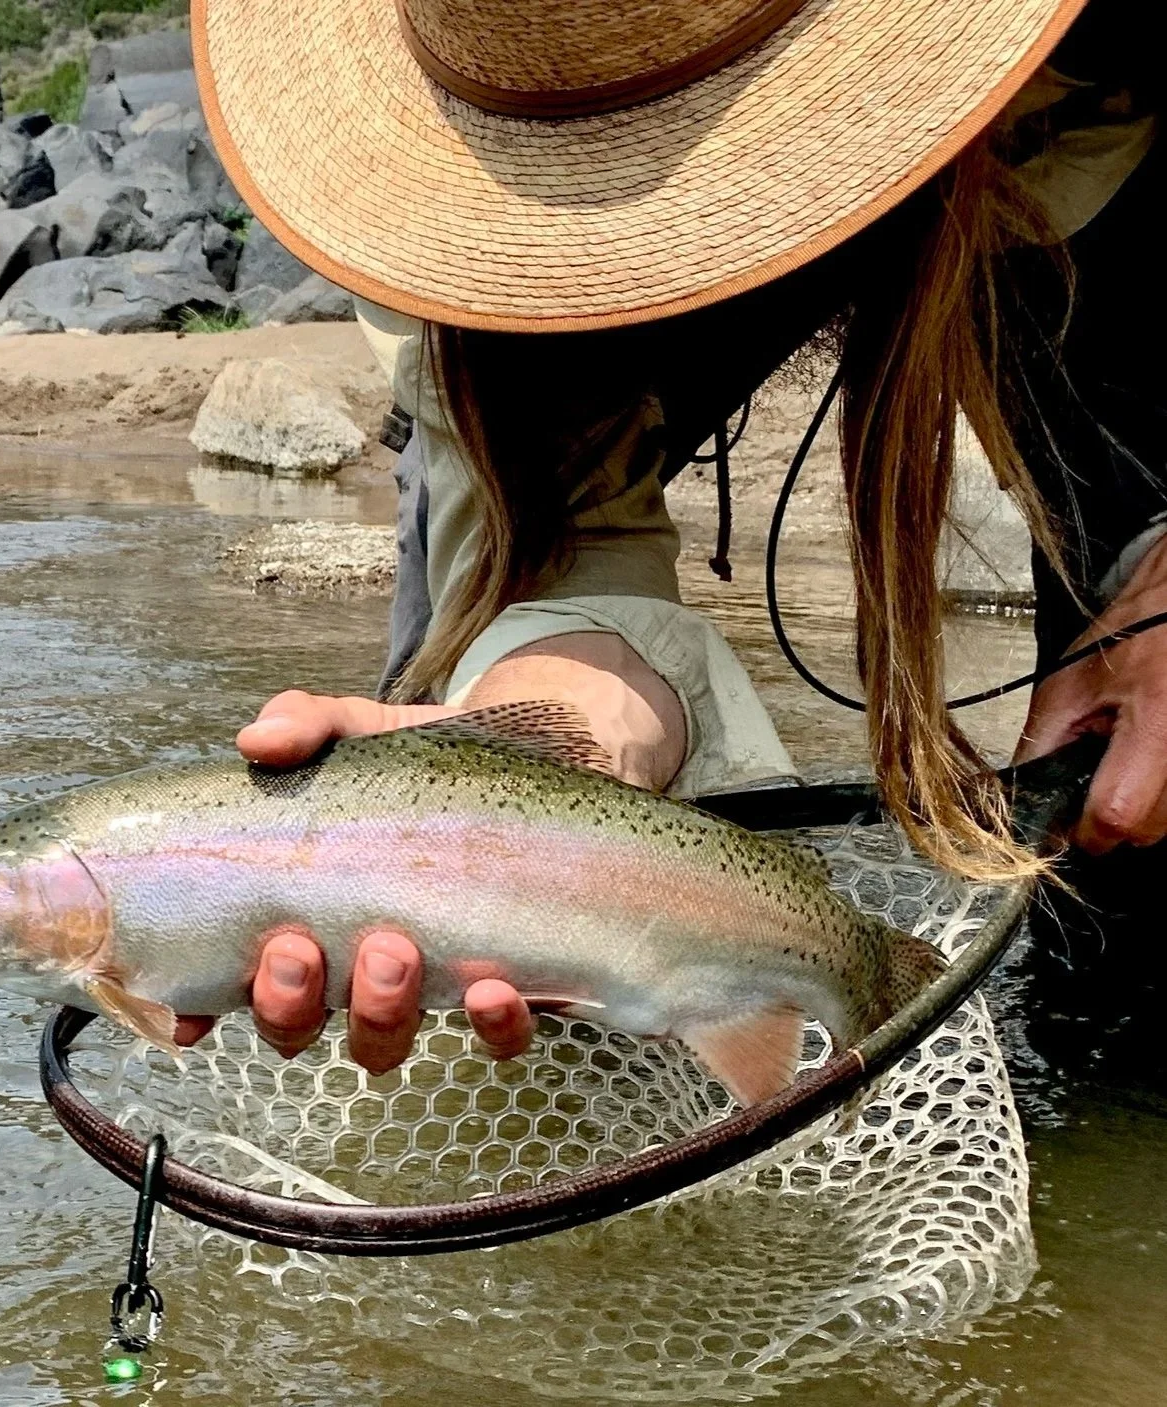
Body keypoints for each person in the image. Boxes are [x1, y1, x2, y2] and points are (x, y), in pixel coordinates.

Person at [174, 0, 1167, 1073]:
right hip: (527, 324)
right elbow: (570, 539)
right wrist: (562, 717)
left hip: (1104, 126)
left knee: (1137, 771)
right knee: (469, 918)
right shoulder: (457, 231)